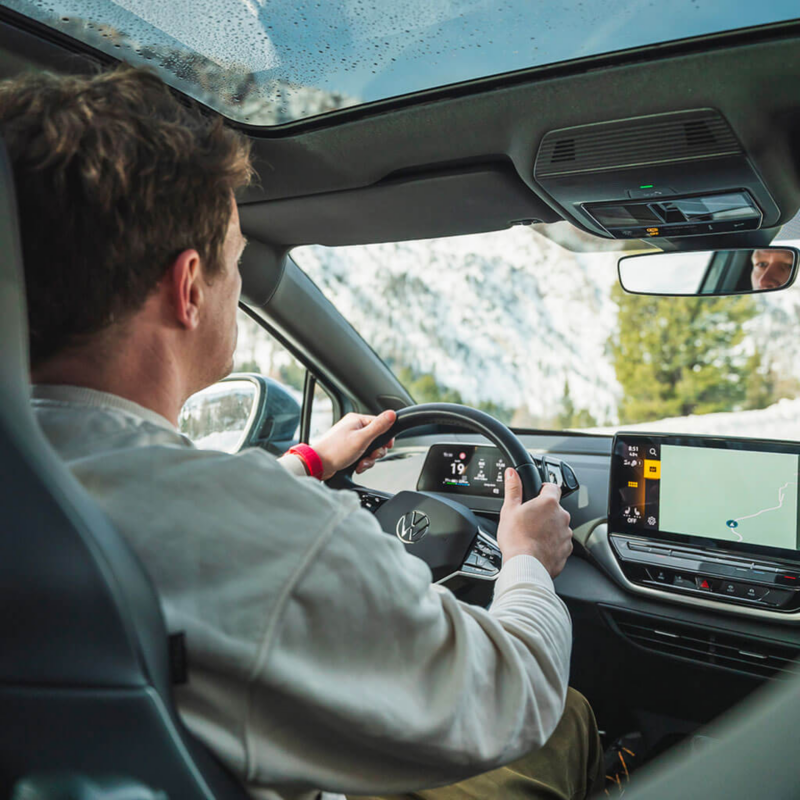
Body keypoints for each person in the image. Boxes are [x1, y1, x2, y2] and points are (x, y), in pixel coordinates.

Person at [0, 67, 603, 800]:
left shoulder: (40, 490)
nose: (240, 284)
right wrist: (527, 562)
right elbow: (514, 695)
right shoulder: (258, 533)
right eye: (235, 257)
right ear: (189, 287)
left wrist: (307, 464)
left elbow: (142, 511)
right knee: (568, 720)